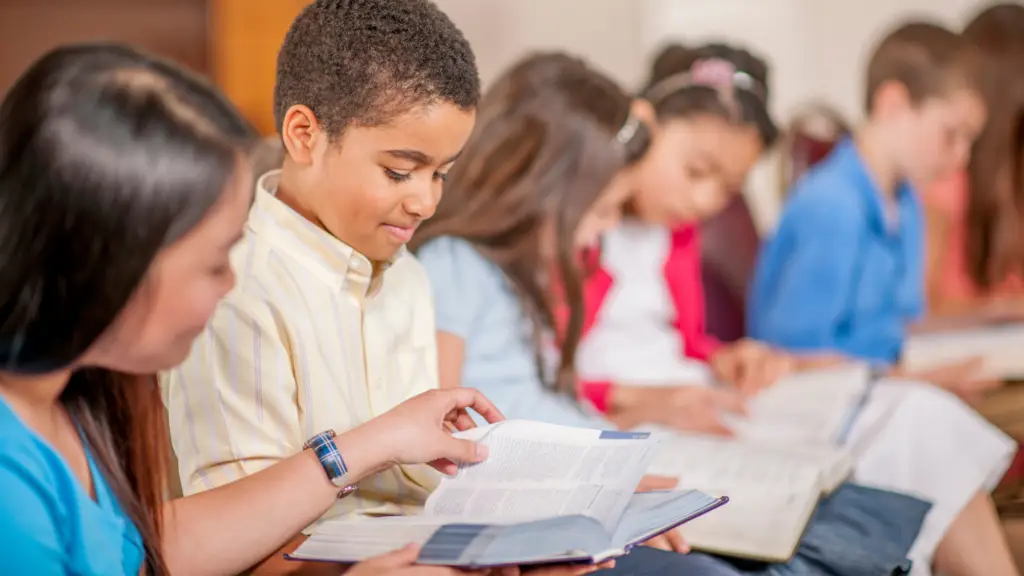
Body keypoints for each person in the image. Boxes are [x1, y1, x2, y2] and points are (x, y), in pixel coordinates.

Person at [0, 42, 557, 576]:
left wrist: (379, 442)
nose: (231, 282)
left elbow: (157, 548)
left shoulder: (74, 404)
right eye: (216, 261)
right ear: (112, 256)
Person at [412, 51, 944, 576]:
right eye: (598, 212)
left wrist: (614, 464)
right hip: (550, 489)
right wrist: (592, 478)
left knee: (836, 520)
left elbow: (558, 398)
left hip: (598, 464)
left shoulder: (525, 278)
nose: (601, 234)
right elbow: (448, 432)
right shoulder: (455, 264)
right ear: (542, 189)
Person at [748, 22, 1019, 575]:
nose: (963, 157)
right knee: (943, 422)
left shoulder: (906, 203)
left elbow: (902, 322)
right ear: (894, 103)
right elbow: (793, 363)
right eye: (953, 134)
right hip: (819, 407)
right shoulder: (831, 206)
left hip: (887, 382)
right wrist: (909, 378)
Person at [573, 43, 797, 433]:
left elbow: (682, 340)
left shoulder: (675, 233)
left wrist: (723, 359)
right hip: (614, 421)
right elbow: (534, 379)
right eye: (695, 171)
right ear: (644, 123)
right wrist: (641, 400)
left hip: (684, 402)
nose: (706, 201)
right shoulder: (582, 227)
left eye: (729, 189)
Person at [923, 3, 1024, 318]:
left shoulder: (1013, 176)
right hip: (960, 353)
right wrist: (1004, 309)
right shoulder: (944, 180)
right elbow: (921, 309)